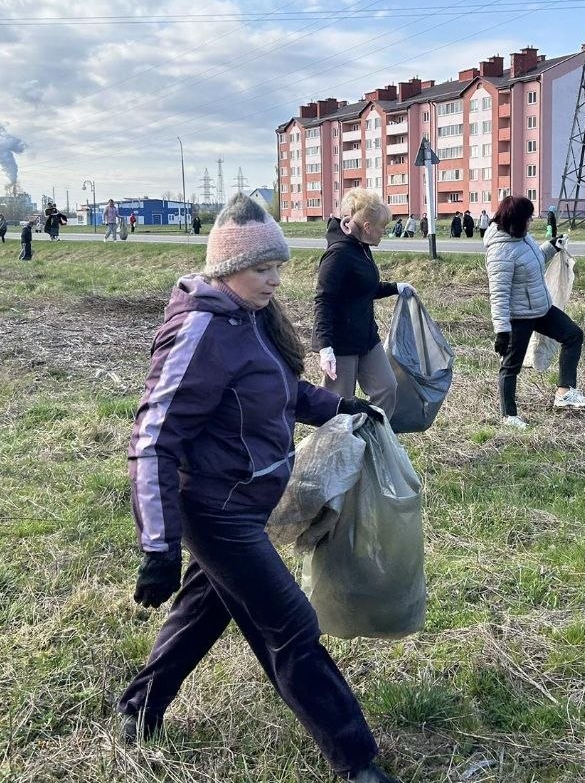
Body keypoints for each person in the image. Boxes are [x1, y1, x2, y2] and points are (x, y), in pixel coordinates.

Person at [116, 195, 401, 783]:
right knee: (291, 626)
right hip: (216, 511)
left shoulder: (248, 318)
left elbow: (283, 391)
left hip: (245, 501)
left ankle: (139, 709)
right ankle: (356, 762)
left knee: (204, 610)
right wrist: (158, 546)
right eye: (261, 268)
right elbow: (153, 439)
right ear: (227, 268)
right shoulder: (201, 330)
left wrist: (341, 408)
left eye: (277, 266)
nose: (274, 279)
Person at [484, 195, 585, 430]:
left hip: (541, 308)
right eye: (528, 218)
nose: (531, 222)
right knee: (511, 366)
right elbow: (499, 295)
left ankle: (564, 393)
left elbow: (536, 259)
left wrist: (552, 246)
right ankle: (509, 416)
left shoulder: (523, 239)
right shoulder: (500, 252)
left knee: (573, 335)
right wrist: (502, 331)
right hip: (518, 317)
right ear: (516, 220)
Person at [314, 189, 413, 420]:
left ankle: (371, 436)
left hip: (367, 337)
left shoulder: (362, 247)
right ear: (367, 227)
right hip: (341, 343)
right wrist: (325, 347)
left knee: (387, 387)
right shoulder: (338, 254)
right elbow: (323, 300)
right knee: (339, 405)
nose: (384, 232)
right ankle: (339, 442)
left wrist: (395, 287)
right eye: (382, 227)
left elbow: (363, 288)